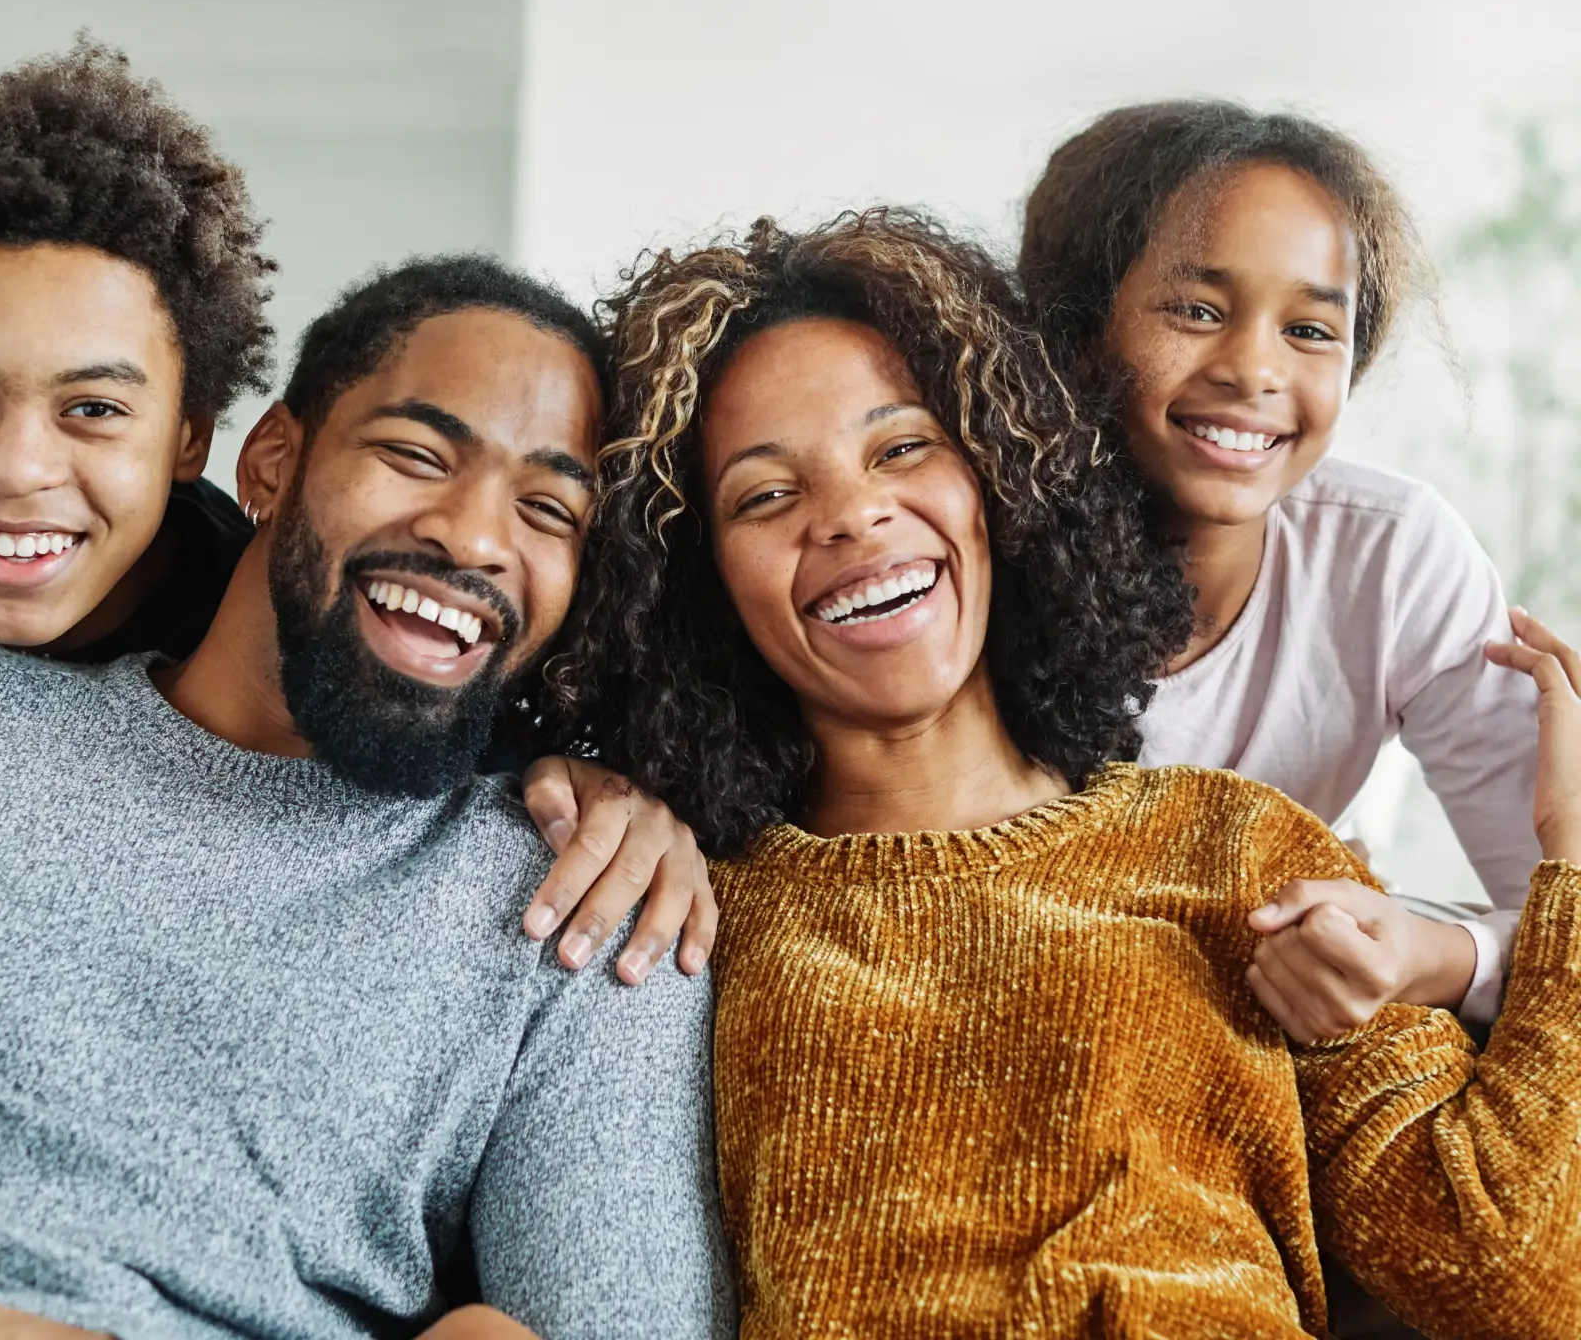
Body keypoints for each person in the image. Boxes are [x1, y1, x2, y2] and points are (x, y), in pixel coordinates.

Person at [0, 255, 733, 1340]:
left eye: (548, 511)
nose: (475, 534)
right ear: (270, 460)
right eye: (418, 455)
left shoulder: (586, 910)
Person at [550, 208, 1581, 1339]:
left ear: (998, 478)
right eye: (765, 494)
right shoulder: (690, 914)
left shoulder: (1234, 851)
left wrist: (1572, 854)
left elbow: (1511, 1272)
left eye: (901, 448)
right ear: (700, 586)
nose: (851, 515)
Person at [0, 41, 711, 1007]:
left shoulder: (255, 622)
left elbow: (446, 732)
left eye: (93, 410)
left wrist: (608, 798)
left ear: (190, 439)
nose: (19, 467)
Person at [1018, 101, 1540, 1040]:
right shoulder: (966, 557)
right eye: (1197, 311)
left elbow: (1559, 927)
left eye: (1309, 330)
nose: (1254, 369)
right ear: (1076, 324)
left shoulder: (1390, 557)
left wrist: (1426, 954)